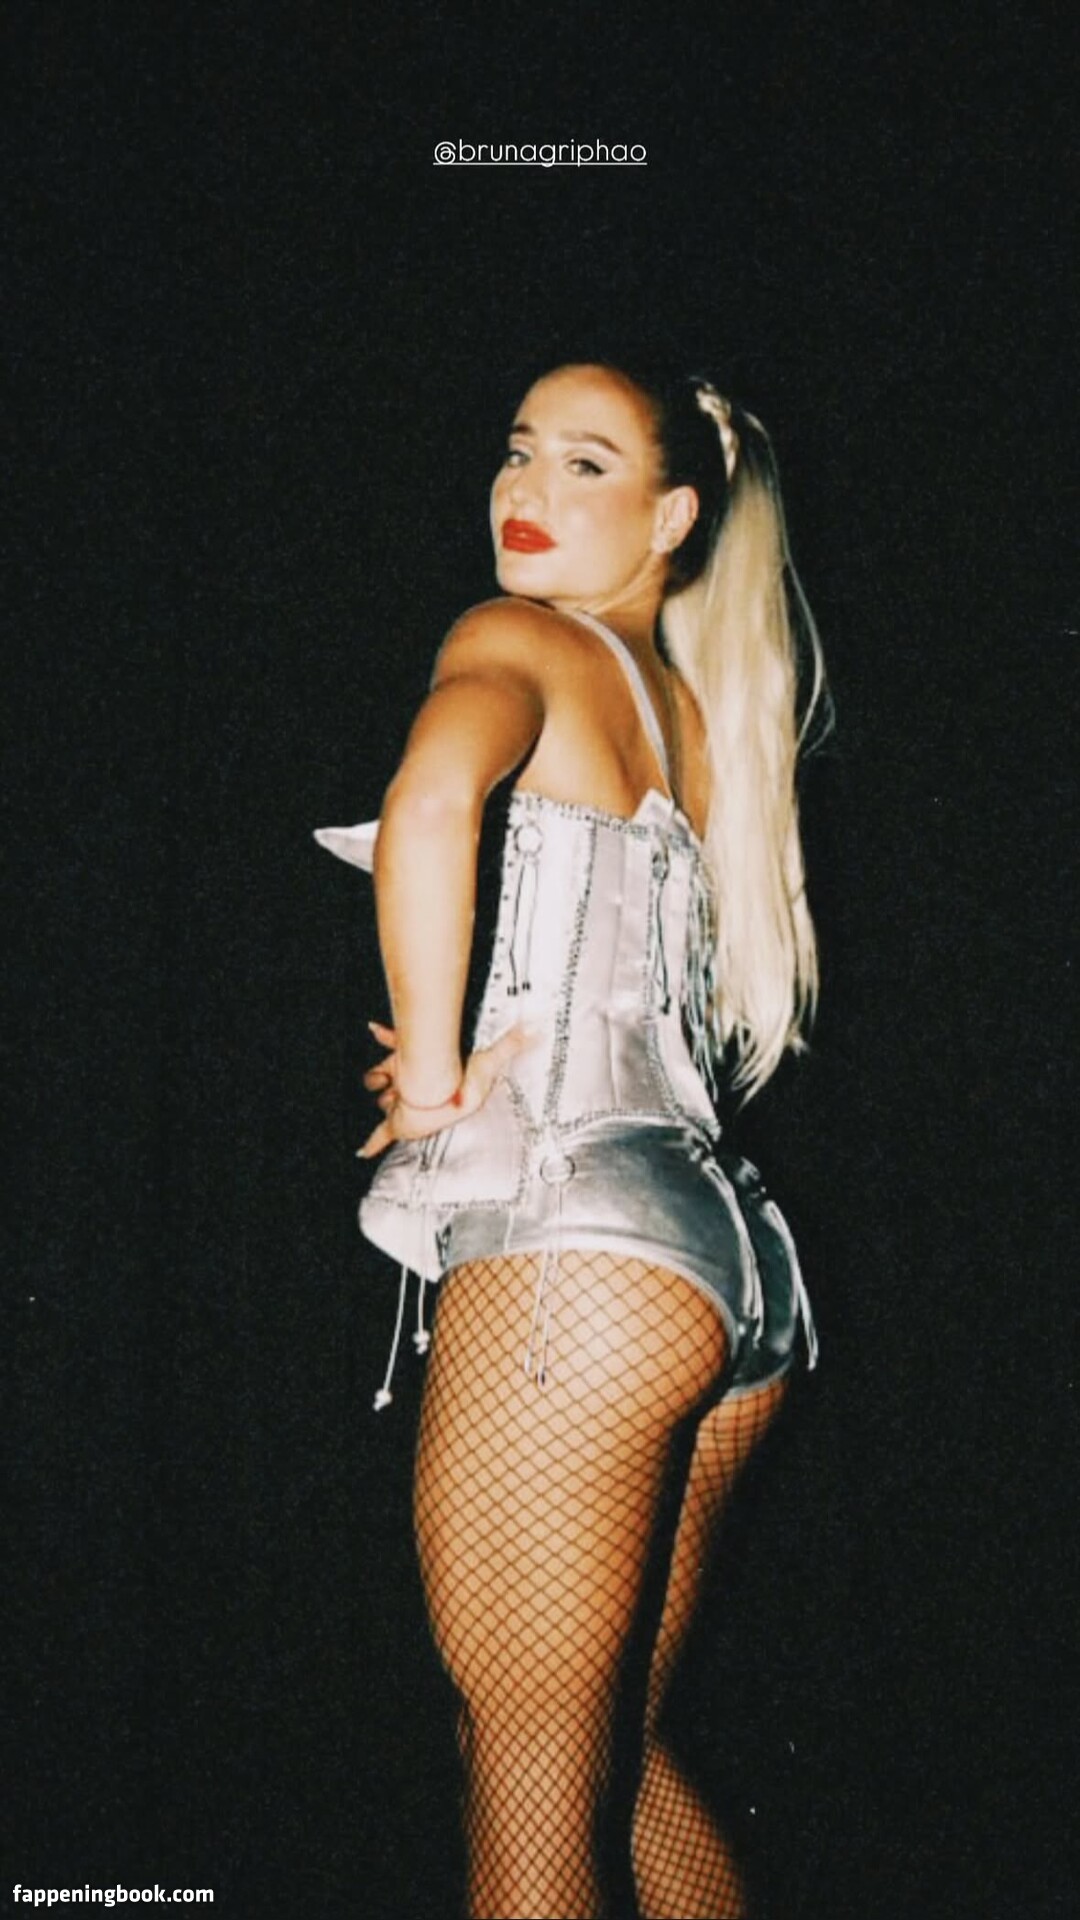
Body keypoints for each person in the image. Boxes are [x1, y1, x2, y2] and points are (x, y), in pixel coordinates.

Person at [316, 355, 829, 1919]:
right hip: (731, 1271)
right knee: (620, 1755)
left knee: (529, 1780)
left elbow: (432, 803)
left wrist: (430, 1080)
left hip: (577, 1260)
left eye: (586, 462)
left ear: (673, 515)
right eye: (517, 449)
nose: (526, 489)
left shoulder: (517, 639)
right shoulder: (696, 715)